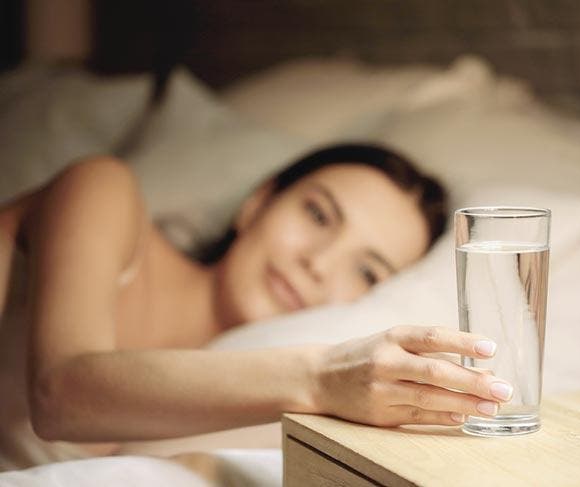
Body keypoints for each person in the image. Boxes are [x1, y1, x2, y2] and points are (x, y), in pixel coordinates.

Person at [0, 143, 512, 470]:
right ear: (257, 202)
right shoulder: (102, 190)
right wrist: (321, 377)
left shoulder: (232, 413)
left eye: (366, 271)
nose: (317, 262)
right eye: (317, 214)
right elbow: (60, 392)